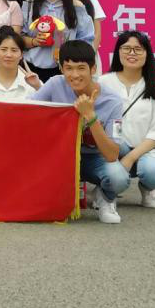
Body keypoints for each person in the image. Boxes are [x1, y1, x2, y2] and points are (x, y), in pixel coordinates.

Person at [32, 40, 126, 224]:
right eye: (68, 68)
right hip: (60, 156)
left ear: (93, 69)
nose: (74, 75)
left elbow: (112, 154)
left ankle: (105, 198)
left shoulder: (113, 101)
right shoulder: (54, 84)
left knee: (118, 178)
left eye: (81, 68)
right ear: (61, 68)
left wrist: (90, 116)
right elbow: (28, 110)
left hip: (94, 158)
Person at [99, 31, 155, 208]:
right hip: (116, 146)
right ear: (118, 52)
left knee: (153, 172)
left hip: (148, 148)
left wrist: (130, 158)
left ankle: (147, 187)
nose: (132, 53)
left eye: (138, 49)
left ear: (147, 54)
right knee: (112, 174)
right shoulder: (103, 82)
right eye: (126, 48)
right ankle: (106, 188)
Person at [23, 0, 94, 82]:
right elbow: (18, 38)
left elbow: (86, 39)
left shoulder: (76, 6)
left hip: (66, 70)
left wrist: (68, 51)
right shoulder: (29, 4)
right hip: (31, 69)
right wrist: (34, 41)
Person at [0, 27, 41, 101]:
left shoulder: (35, 83)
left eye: (14, 50)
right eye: (3, 50)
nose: (9, 55)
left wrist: (37, 87)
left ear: (21, 55)